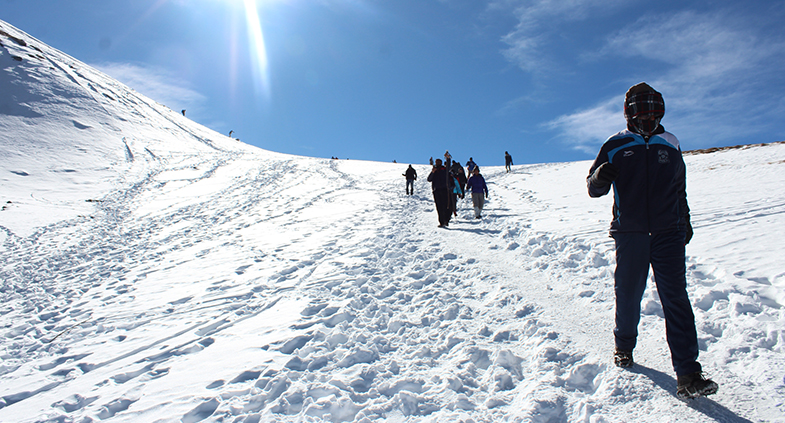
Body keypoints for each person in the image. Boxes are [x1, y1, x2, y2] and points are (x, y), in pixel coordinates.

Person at [587, 82, 718, 399]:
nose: (648, 119)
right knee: (629, 294)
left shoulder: (670, 144)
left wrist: (683, 221)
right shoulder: (615, 144)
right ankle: (624, 344)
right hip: (630, 233)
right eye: (641, 112)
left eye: (653, 112)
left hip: (667, 233)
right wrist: (600, 177)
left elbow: (679, 187)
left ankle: (688, 373)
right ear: (629, 113)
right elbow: (593, 187)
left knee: (676, 298)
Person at [427, 159, 454, 227]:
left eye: (438, 162)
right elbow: (429, 179)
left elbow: (448, 167)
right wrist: (432, 172)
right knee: (439, 207)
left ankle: (446, 220)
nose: (437, 163)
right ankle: (442, 222)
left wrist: (448, 159)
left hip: (445, 189)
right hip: (436, 190)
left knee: (445, 206)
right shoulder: (434, 170)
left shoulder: (444, 169)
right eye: (436, 162)